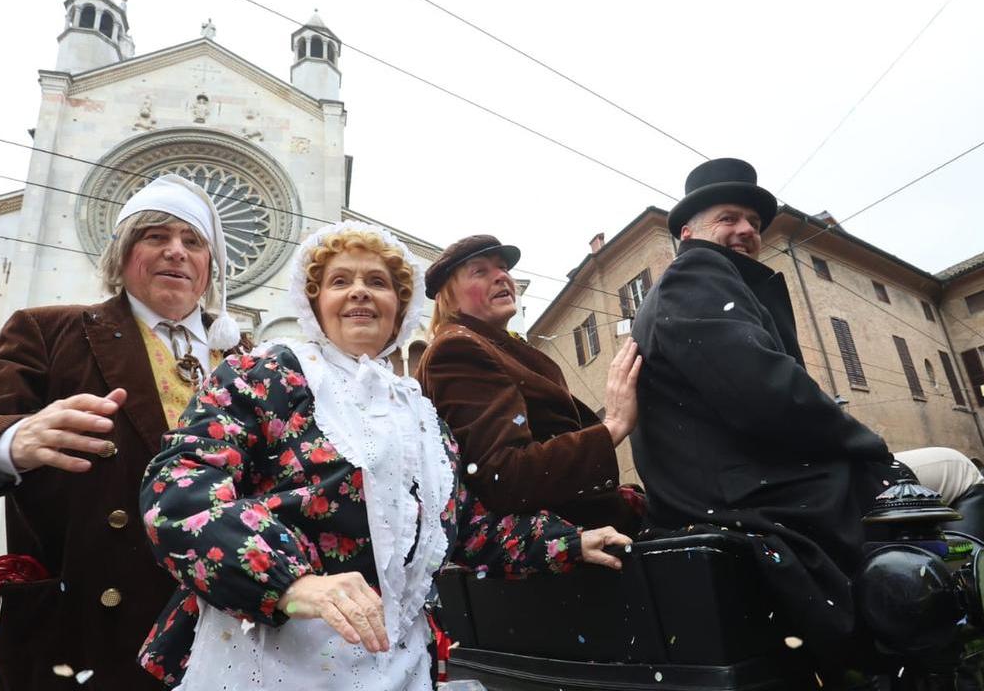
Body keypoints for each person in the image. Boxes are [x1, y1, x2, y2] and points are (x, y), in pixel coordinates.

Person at [138, 221, 630, 689]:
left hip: (397, 666)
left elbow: (465, 528)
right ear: (315, 303)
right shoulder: (267, 374)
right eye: (340, 281)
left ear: (401, 307)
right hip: (269, 659)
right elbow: (179, 488)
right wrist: (291, 583)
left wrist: (568, 542)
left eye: (377, 282)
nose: (359, 292)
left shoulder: (419, 414)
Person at [629, 157, 982, 666]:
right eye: (728, 218)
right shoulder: (697, 272)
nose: (746, 230)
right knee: (958, 468)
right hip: (758, 494)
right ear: (688, 232)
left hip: (736, 488)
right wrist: (869, 445)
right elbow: (765, 393)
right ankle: (959, 628)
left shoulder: (686, 287)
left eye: (753, 222)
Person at [0, 174, 244, 690]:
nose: (176, 251)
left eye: (192, 241)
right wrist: (13, 440)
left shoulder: (250, 359)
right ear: (122, 255)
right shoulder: (51, 332)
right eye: (155, 236)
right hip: (93, 635)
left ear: (209, 266)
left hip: (232, 631)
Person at [414, 235, 644, 536]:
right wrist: (612, 427)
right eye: (480, 271)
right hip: (567, 544)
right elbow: (503, 476)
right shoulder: (458, 348)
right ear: (448, 298)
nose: (501, 276)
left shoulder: (494, 346)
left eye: (503, 267)